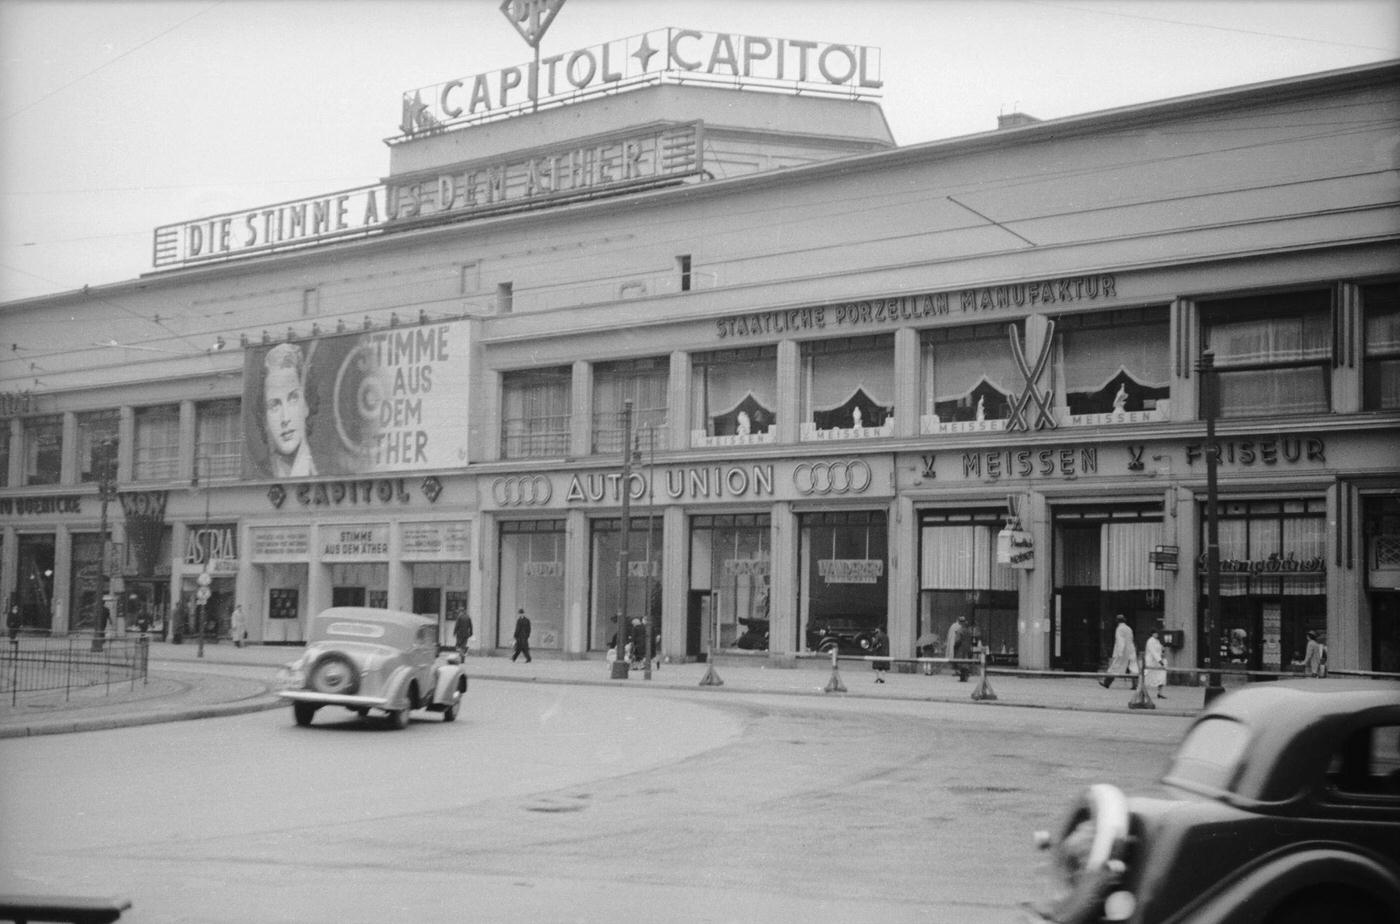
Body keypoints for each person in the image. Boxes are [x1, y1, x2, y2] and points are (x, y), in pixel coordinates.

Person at [259, 342, 317, 478]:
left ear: (306, 405)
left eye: (293, 399)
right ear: (264, 418)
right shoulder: (259, 472)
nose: (285, 419)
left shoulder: (325, 467)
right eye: (274, 405)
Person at [1101, 614, 1138, 689]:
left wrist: (1119, 652)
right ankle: (1135, 685)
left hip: (1123, 651)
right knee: (1133, 668)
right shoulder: (1129, 628)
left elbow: (1120, 641)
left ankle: (1107, 683)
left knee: (1114, 667)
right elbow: (1131, 639)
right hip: (1131, 650)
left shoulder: (1119, 629)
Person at [1144, 629, 1167, 699]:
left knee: (1161, 676)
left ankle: (1160, 693)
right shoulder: (1150, 641)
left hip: (1157, 663)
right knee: (1148, 676)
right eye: (1155, 633)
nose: (1156, 634)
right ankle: (1143, 692)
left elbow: (1160, 649)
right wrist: (1159, 660)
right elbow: (1153, 652)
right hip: (1151, 662)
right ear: (1152, 634)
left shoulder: (1157, 641)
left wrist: (1163, 650)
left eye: (1157, 633)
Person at [947, 616, 970, 682]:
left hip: (961, 648)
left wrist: (955, 647)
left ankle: (963, 677)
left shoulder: (960, 630)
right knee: (966, 662)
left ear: (960, 622)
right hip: (967, 648)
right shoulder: (968, 630)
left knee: (960, 662)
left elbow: (958, 640)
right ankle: (966, 675)